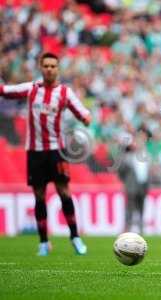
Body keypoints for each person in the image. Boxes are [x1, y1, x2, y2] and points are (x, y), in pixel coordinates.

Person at [0, 52, 92, 256]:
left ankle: (75, 237)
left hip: (56, 151)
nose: (50, 69)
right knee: (39, 195)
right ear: (41, 68)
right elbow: (6, 91)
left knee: (64, 192)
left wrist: (86, 117)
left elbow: (82, 111)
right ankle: (43, 242)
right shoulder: (31, 89)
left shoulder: (65, 93)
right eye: (46, 65)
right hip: (34, 151)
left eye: (53, 66)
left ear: (58, 69)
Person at [117, 131, 150, 234]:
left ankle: (141, 228)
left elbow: (147, 171)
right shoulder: (127, 156)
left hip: (143, 185)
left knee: (141, 207)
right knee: (130, 207)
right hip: (131, 185)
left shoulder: (146, 155)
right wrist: (126, 182)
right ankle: (128, 227)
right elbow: (121, 170)